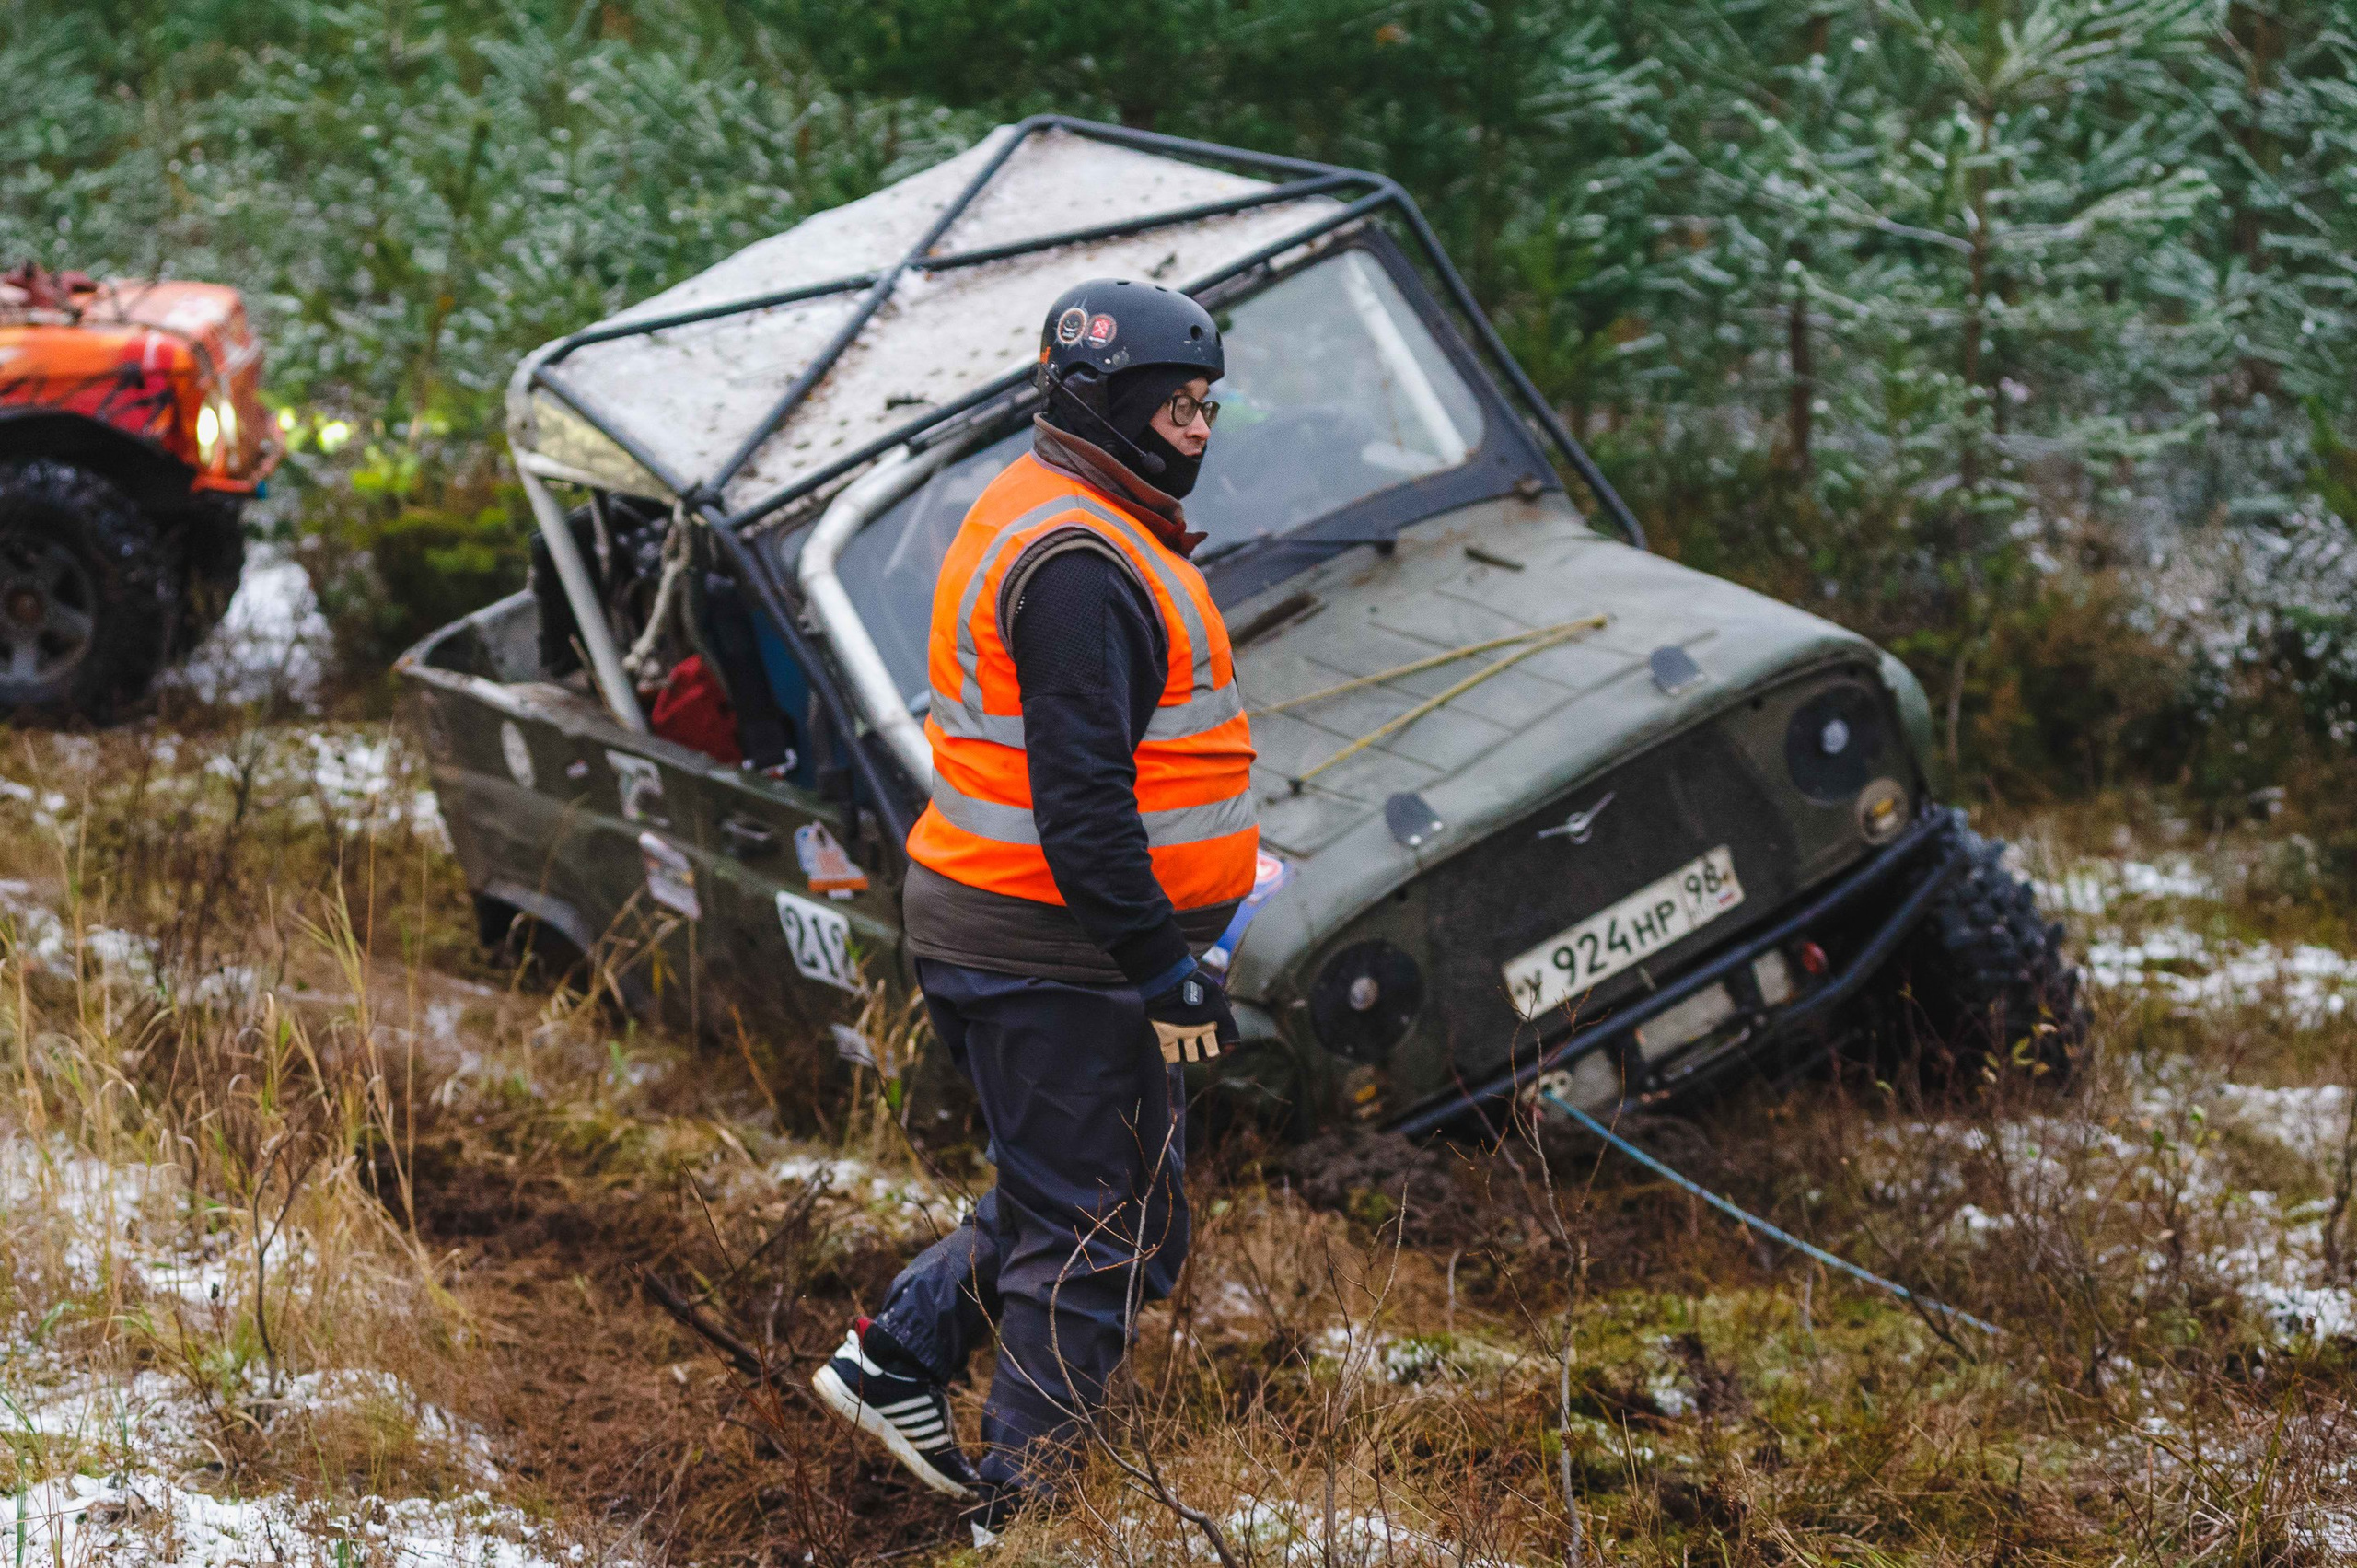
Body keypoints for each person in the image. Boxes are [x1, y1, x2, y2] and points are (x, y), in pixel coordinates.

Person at [811, 279, 1258, 1539]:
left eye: (1207, 404)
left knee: (1114, 1204)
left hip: (1058, 940)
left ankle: (900, 1355)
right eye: (1172, 406)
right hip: (1052, 951)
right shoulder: (1077, 566)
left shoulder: (1072, 514)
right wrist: (1158, 965)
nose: (1197, 431)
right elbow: (1082, 808)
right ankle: (1029, 1517)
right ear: (1097, 406)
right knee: (1090, 1231)